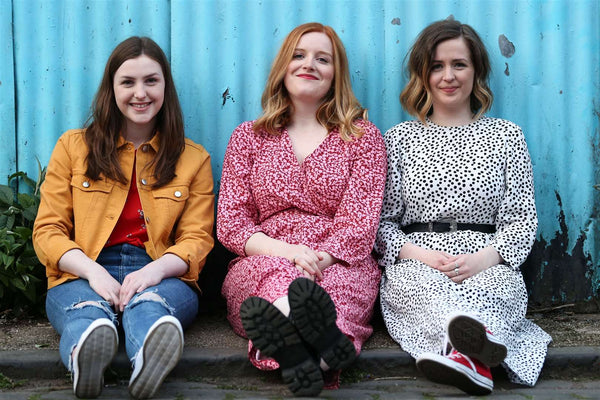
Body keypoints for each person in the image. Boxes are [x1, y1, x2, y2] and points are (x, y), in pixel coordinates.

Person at [374, 19, 552, 396]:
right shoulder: (399, 140)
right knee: (423, 290)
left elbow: (521, 220)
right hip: (417, 260)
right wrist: (418, 254)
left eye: (459, 64)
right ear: (423, 74)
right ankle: (473, 352)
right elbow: (382, 223)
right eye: (437, 66)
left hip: (487, 259)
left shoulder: (505, 135)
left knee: (494, 290)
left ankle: (465, 354)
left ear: (477, 71)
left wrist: (485, 259)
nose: (448, 76)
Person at [32, 36, 214, 399]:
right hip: (81, 270)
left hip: (161, 272)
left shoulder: (194, 158)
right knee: (85, 311)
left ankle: (150, 356)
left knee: (152, 307)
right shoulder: (73, 146)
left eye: (151, 80)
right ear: (111, 89)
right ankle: (86, 355)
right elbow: (48, 230)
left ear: (166, 87)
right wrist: (92, 271)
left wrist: (154, 272)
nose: (140, 93)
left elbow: (197, 238)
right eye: (127, 82)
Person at [217, 22, 387, 397]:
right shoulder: (249, 137)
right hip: (267, 254)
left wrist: (320, 259)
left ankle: (293, 345)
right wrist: (290, 254)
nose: (309, 64)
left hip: (340, 258)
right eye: (299, 55)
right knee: (277, 282)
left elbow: (360, 223)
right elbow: (231, 222)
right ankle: (325, 351)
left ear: (335, 75)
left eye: (322, 59)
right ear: (283, 66)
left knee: (335, 293)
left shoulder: (362, 138)